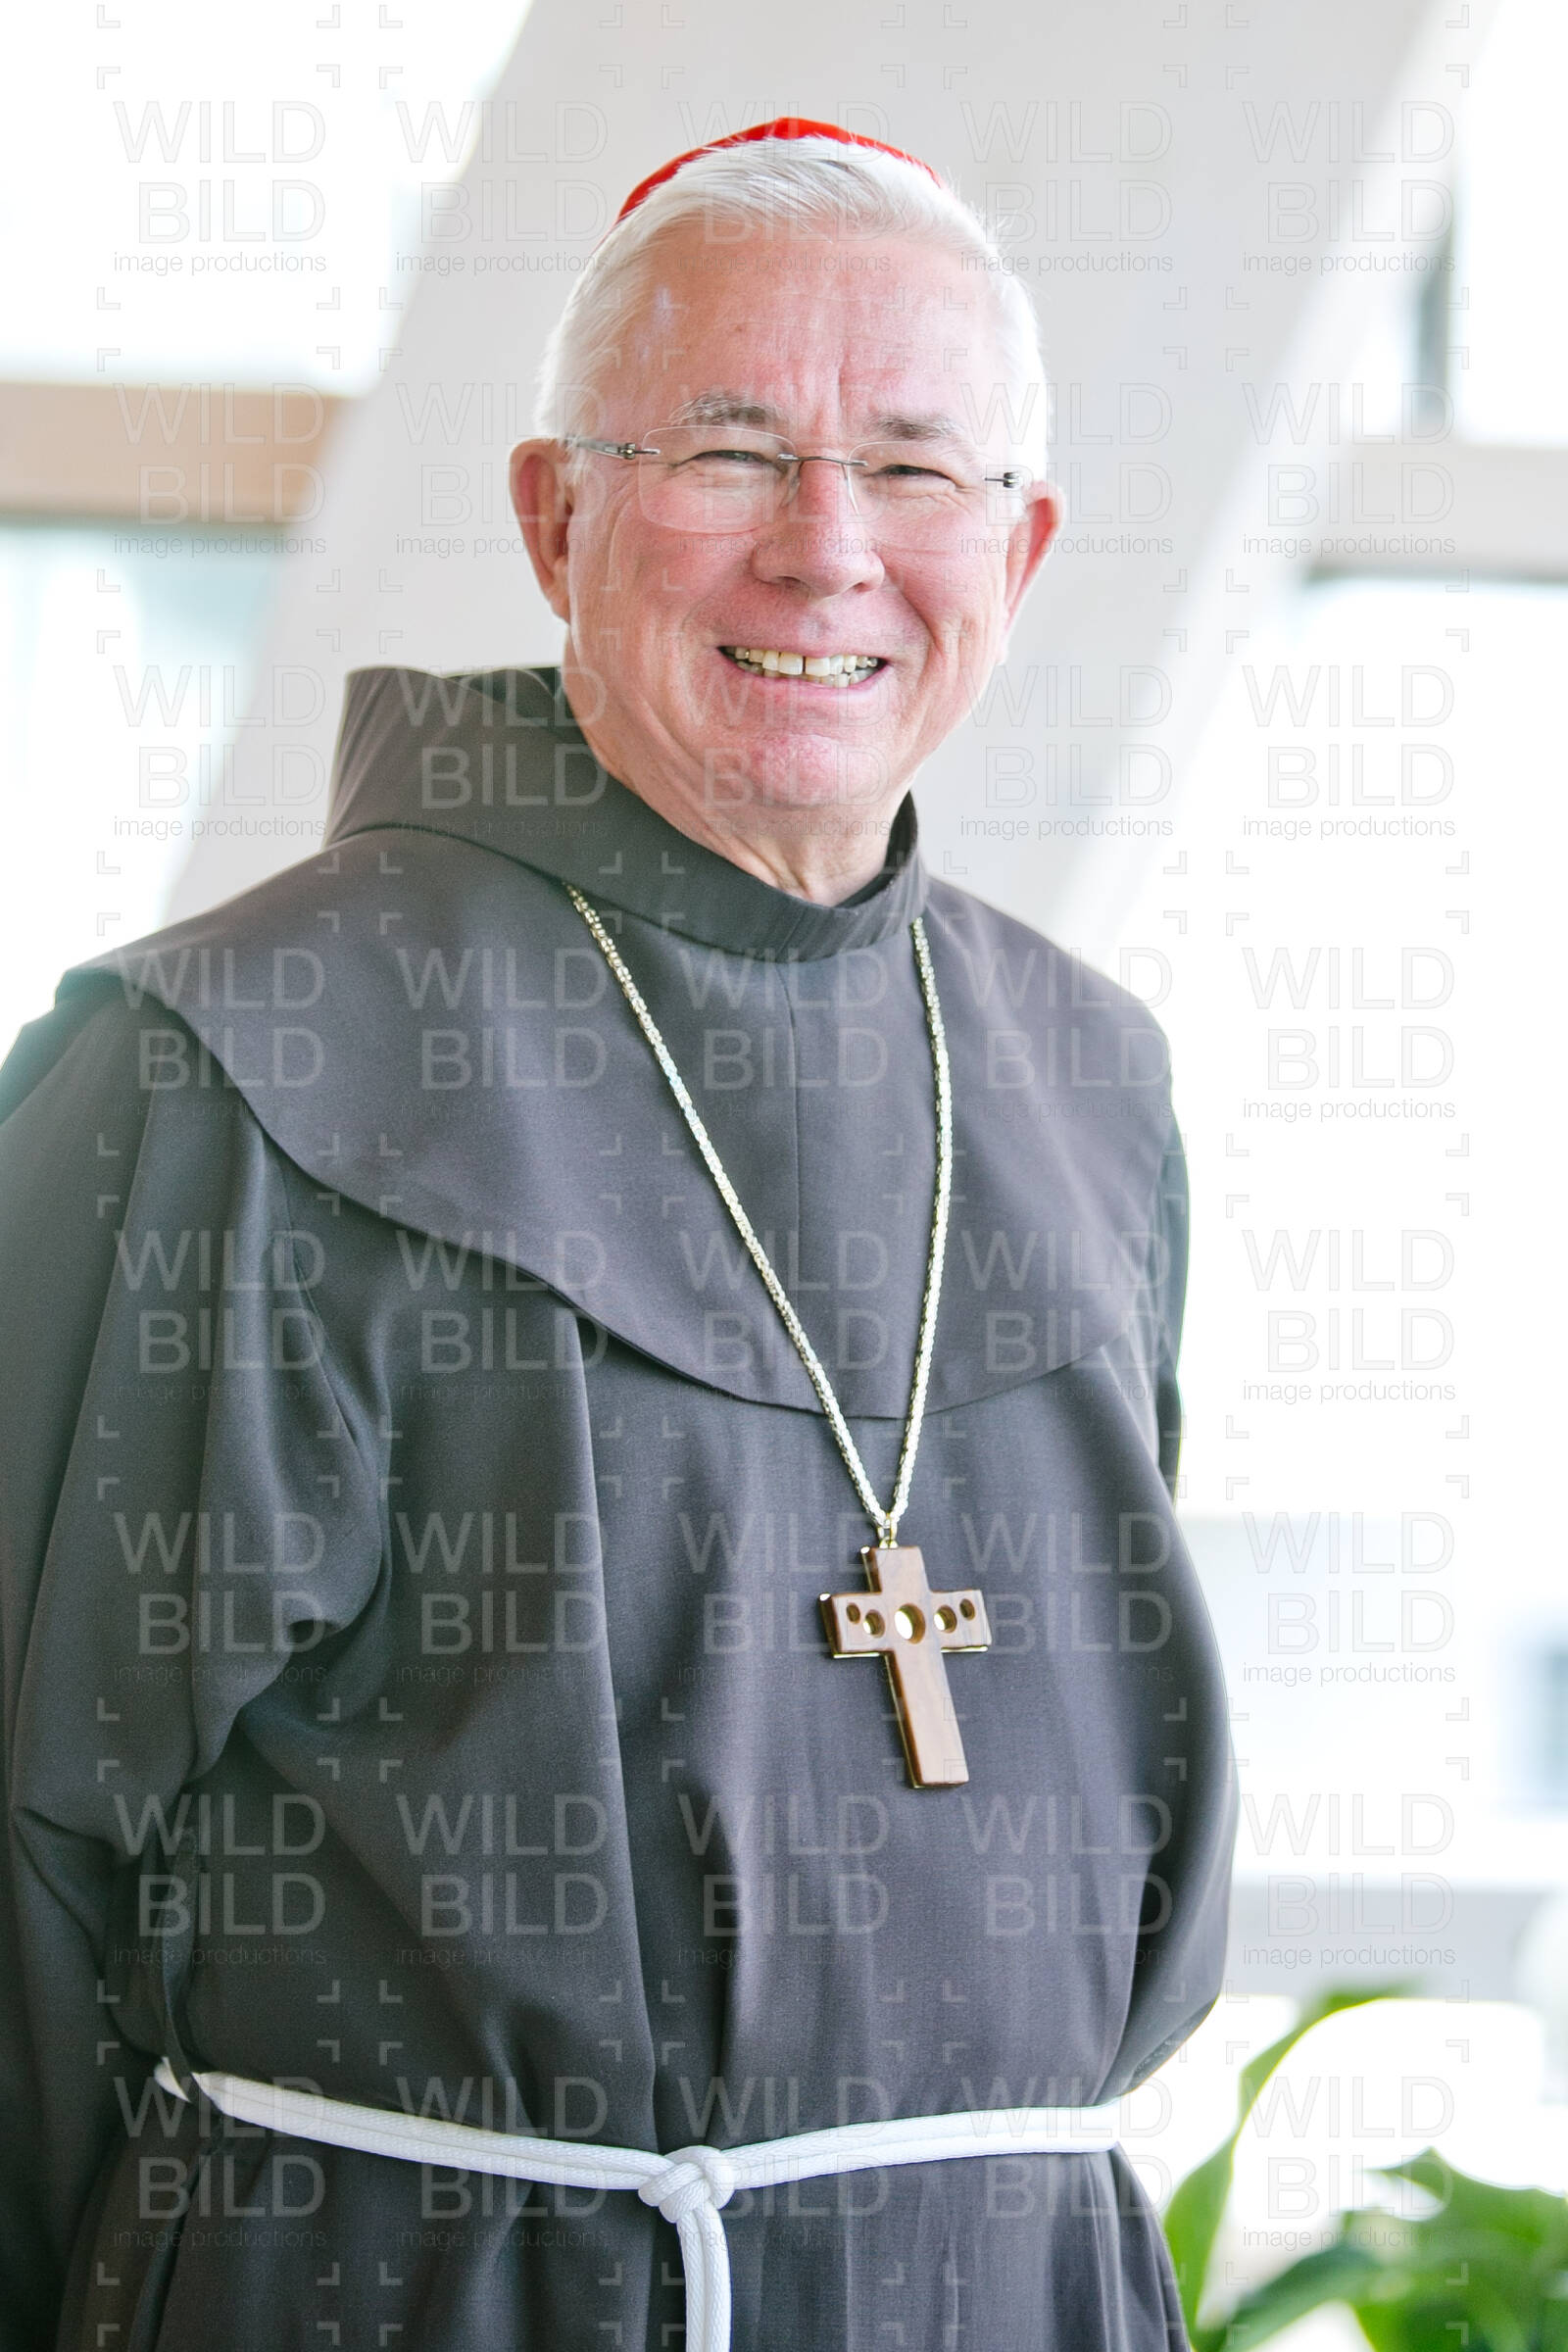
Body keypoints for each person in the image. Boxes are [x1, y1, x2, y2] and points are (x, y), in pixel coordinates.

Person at [0, 122, 1236, 2352]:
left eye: (914, 469)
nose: (825, 550)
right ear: (554, 516)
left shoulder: (1087, 1083)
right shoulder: (230, 1064)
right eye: (731, 451)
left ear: (1022, 544)